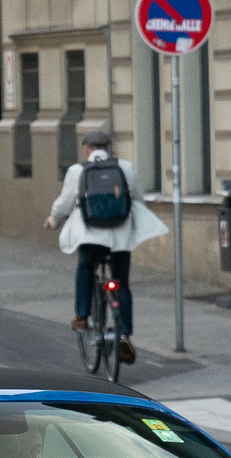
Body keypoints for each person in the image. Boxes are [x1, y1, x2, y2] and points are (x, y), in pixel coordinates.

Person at [45, 130, 169, 366]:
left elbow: (64, 204)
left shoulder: (77, 170)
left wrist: (53, 220)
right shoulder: (125, 167)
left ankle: (82, 316)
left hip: (90, 237)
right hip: (120, 236)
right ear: (108, 147)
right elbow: (137, 199)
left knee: (85, 269)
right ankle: (124, 333)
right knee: (121, 281)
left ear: (87, 148)